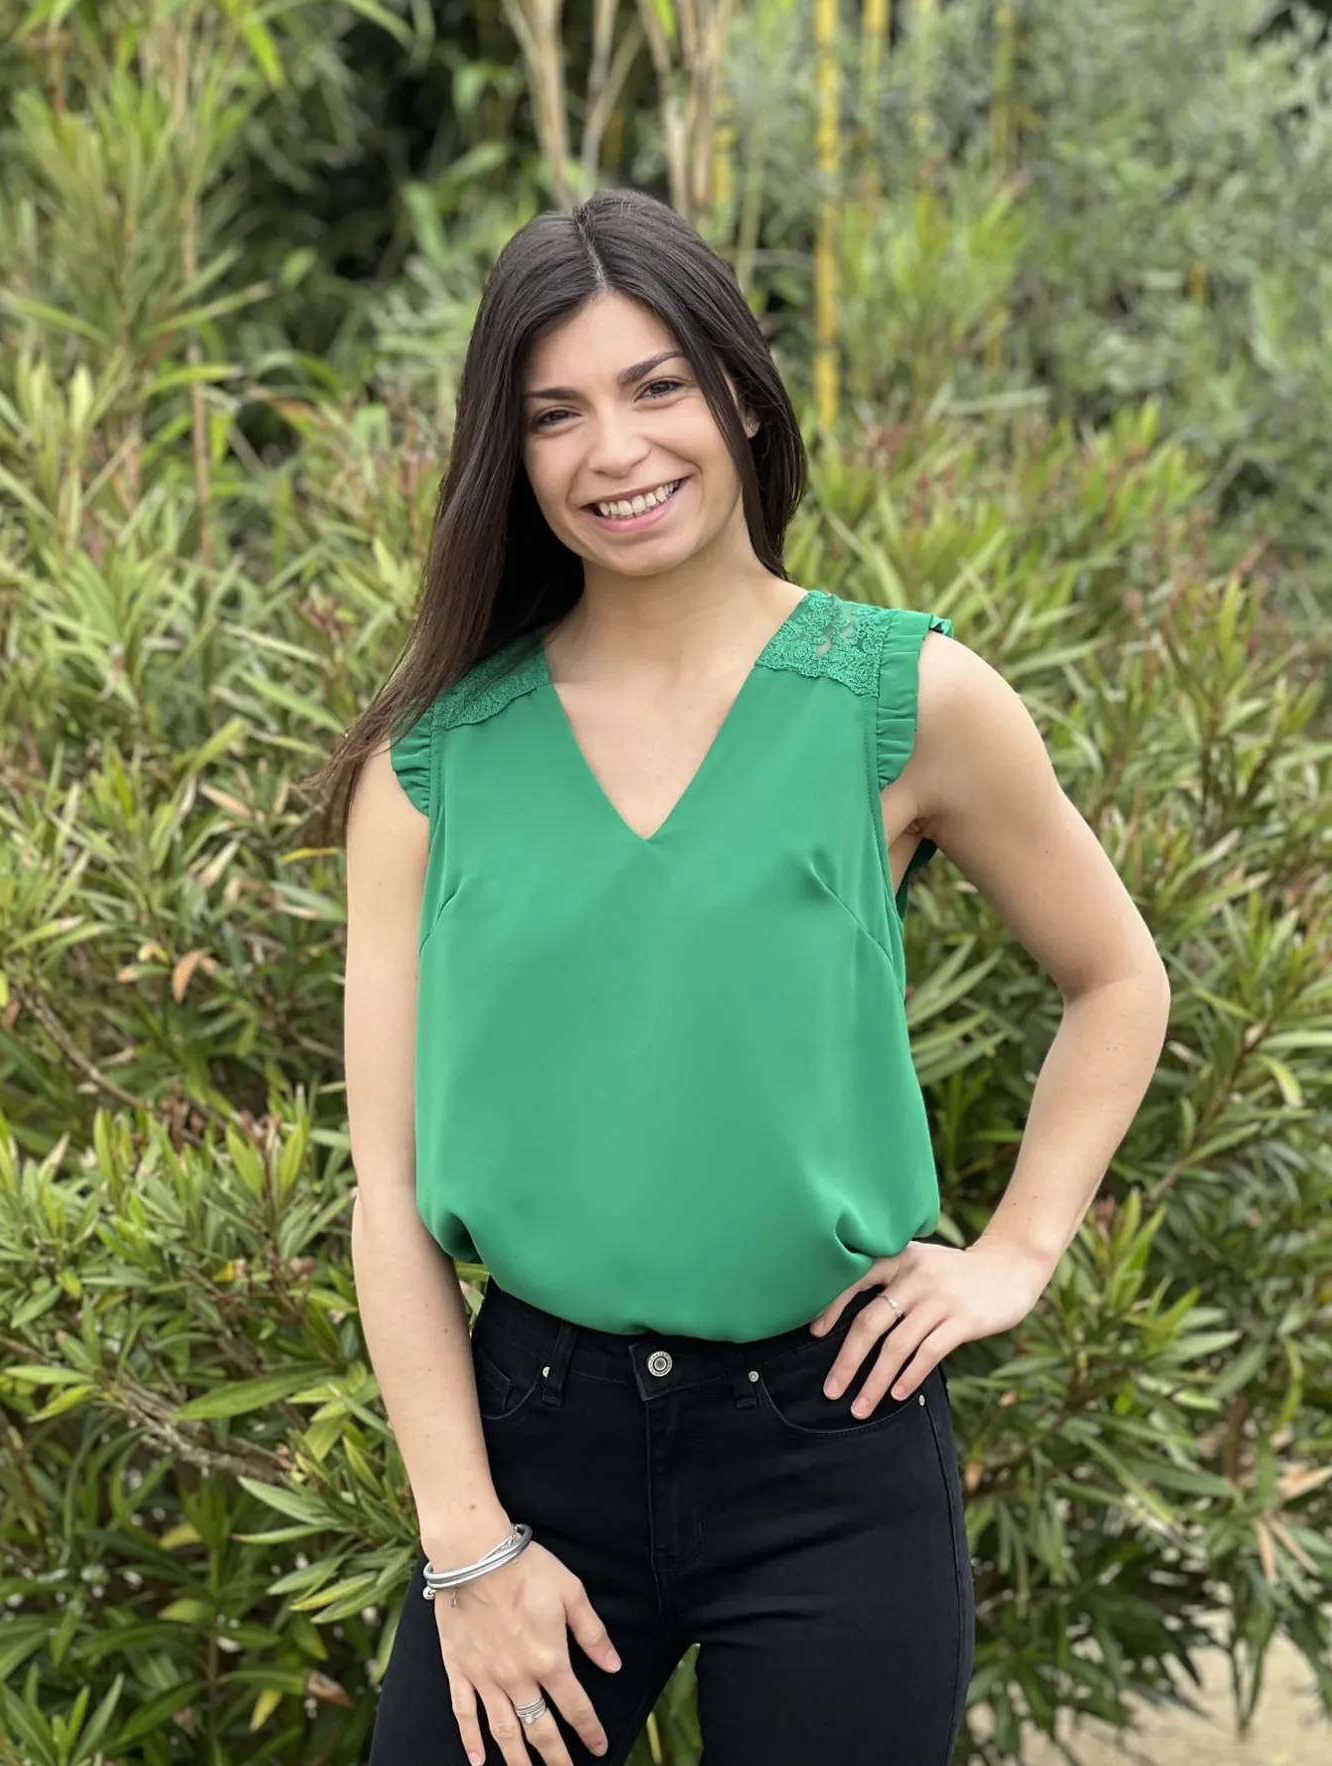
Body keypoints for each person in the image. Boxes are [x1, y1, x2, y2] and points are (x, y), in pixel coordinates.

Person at [333, 188, 1171, 1766]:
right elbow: (386, 1190)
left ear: (741, 392)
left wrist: (1017, 1251)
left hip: (832, 1442)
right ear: (507, 458)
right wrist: (469, 1546)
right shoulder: (430, 768)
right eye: (556, 413)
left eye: (658, 387)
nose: (618, 450)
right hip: (532, 1447)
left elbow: (1118, 978)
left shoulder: (901, 697)